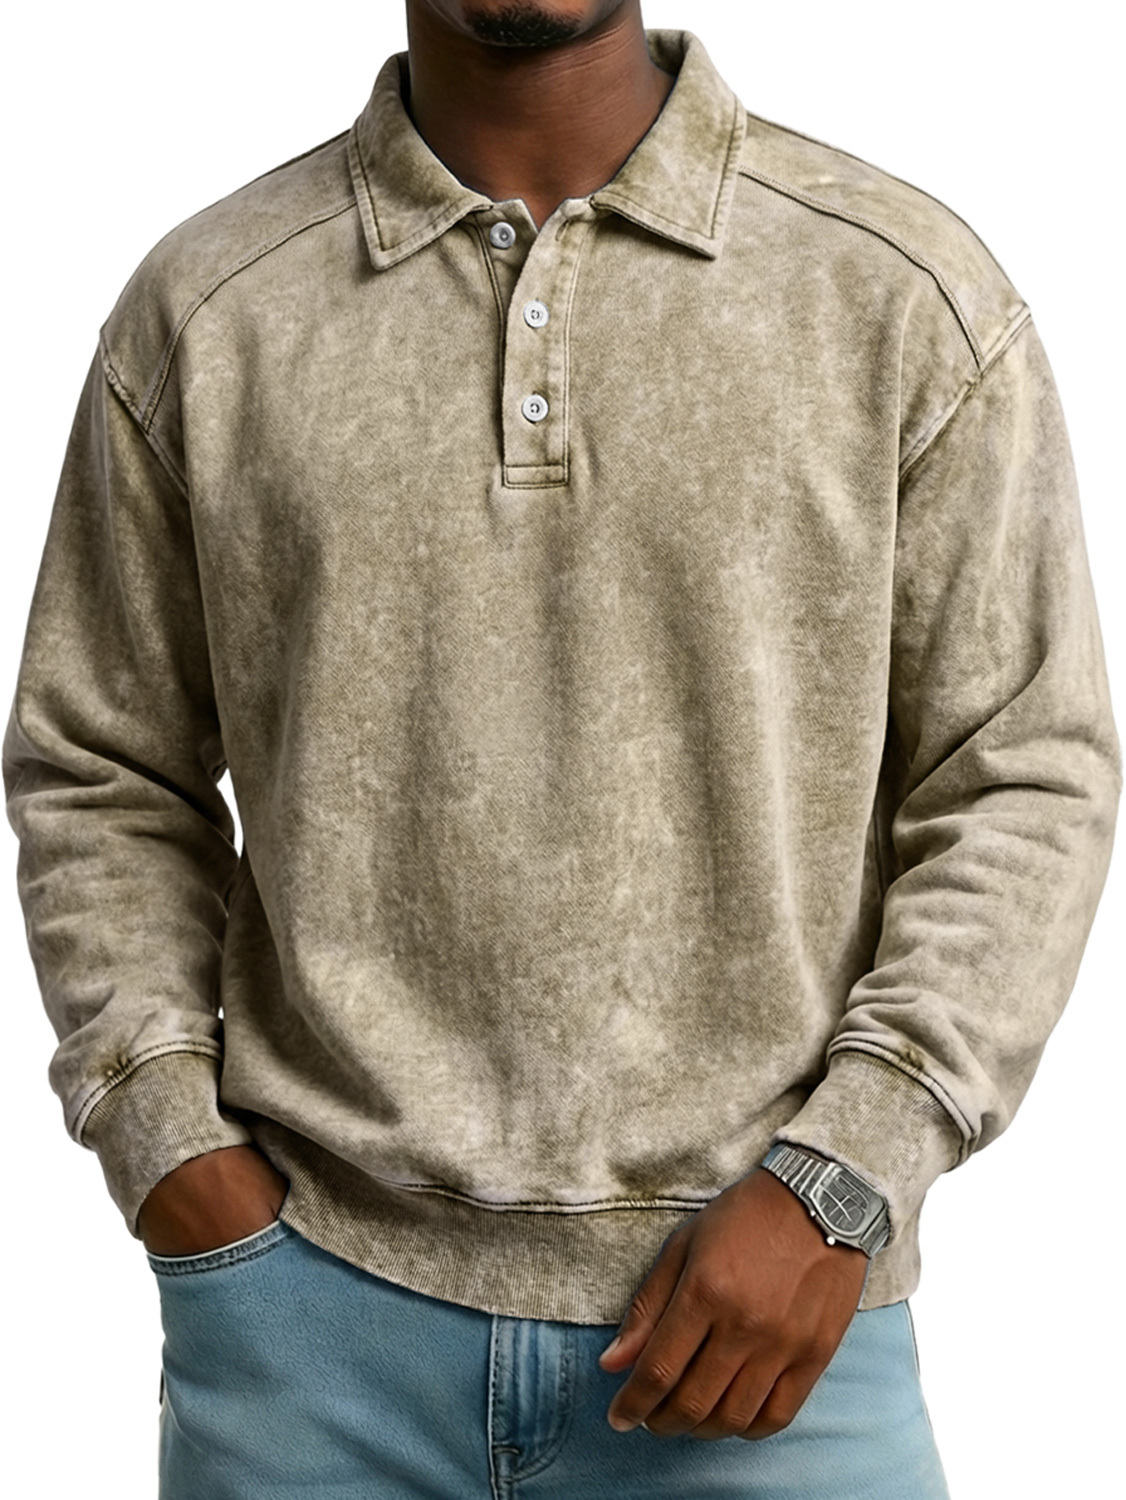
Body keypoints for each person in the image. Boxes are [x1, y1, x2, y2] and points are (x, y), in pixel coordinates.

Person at [3, 1, 1119, 1496]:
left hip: (773, 1337)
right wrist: (172, 1155)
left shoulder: (896, 289)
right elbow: (99, 765)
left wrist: (846, 1177)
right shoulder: (213, 304)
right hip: (307, 1349)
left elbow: (1024, 770)